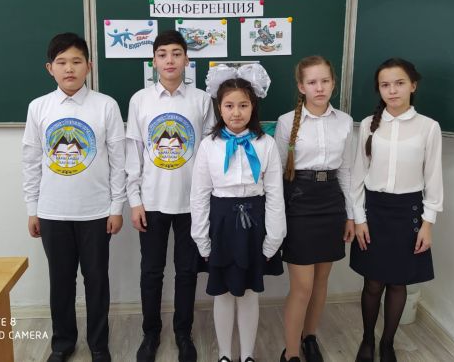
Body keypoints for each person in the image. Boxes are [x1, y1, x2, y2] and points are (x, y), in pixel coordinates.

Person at [22, 32, 126, 362]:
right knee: (61, 282)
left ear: (89, 66)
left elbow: (119, 160)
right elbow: (31, 161)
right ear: (49, 68)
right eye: (62, 62)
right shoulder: (39, 107)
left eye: (77, 61)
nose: (70, 68)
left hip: (96, 212)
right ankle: (63, 343)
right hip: (52, 212)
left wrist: (116, 207)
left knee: (97, 282)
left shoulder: (106, 105)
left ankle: (99, 344)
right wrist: (32, 208)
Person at [125, 29, 215, 362]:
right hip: (151, 202)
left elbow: (210, 152)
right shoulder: (140, 100)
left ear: (187, 59)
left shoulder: (202, 100)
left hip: (192, 202)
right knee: (151, 271)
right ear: (154, 61)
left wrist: (208, 200)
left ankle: (183, 333)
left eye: (176, 53)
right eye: (162, 54)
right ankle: (150, 333)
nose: (170, 60)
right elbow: (133, 154)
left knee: (187, 272)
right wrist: (135, 201)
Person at [190, 64, 286, 362]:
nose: (236, 112)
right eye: (229, 106)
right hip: (220, 224)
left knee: (249, 293)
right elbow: (199, 195)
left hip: (255, 224)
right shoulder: (208, 145)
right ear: (219, 108)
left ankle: (247, 355)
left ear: (253, 106)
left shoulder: (266, 144)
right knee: (222, 293)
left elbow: (275, 194)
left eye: (243, 105)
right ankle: (224, 354)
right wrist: (202, 239)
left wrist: (273, 239)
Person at [350, 58, 443, 362]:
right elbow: (358, 175)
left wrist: (428, 223)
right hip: (374, 211)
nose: (392, 90)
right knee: (372, 282)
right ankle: (367, 339)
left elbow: (433, 178)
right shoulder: (368, 124)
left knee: (397, 282)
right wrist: (359, 218)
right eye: (385, 85)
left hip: (408, 212)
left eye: (399, 83)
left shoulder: (428, 127)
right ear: (379, 89)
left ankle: (387, 343)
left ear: (413, 85)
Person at [275, 56, 355, 362]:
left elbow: (346, 171)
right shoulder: (286, 122)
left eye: (325, 81)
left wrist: (350, 215)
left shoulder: (344, 121)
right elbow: (277, 172)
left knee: (321, 281)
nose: (319, 88)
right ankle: (291, 352)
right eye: (312, 82)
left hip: (331, 202)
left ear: (333, 83)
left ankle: (309, 337)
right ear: (301, 86)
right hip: (299, 201)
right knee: (302, 286)